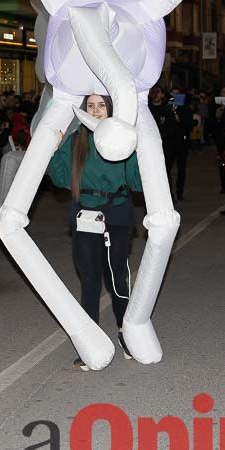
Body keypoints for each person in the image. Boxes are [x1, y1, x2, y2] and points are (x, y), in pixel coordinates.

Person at [49, 94, 143, 370]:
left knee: (117, 278)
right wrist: (55, 149)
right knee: (89, 281)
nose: (96, 110)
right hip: (86, 215)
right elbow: (60, 177)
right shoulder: (77, 139)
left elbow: (136, 182)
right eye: (90, 106)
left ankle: (127, 335)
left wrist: (138, 150)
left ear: (111, 108)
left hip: (116, 215)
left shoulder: (121, 136)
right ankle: (90, 344)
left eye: (101, 105)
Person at [149, 86, 191, 202]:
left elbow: (188, 124)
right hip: (169, 143)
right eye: (173, 93)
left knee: (181, 169)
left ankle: (180, 192)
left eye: (177, 94)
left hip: (182, 143)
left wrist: (178, 116)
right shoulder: (165, 108)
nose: (175, 96)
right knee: (167, 169)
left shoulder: (184, 108)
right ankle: (170, 194)